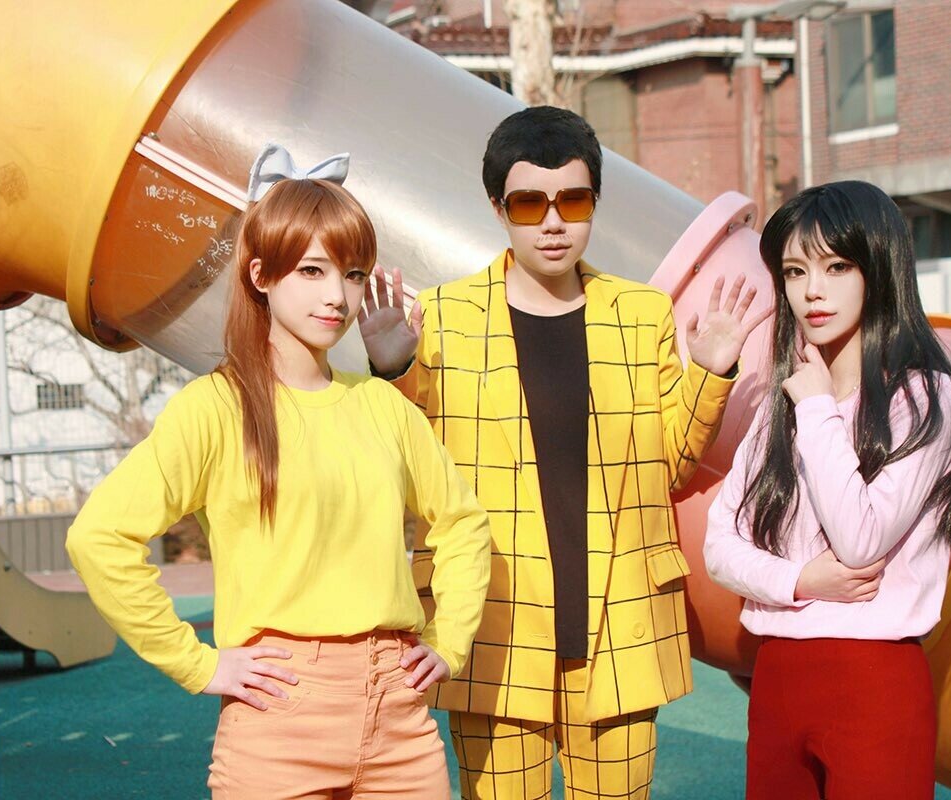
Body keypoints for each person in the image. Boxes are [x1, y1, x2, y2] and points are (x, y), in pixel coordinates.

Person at [360, 106, 766, 799]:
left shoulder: (641, 315)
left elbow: (668, 465)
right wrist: (394, 370)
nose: (553, 222)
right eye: (530, 204)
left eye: (572, 201)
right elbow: (415, 472)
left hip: (619, 626)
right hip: (494, 622)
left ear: (594, 203)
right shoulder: (444, 319)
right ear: (499, 208)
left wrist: (710, 372)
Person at [66, 147, 491, 799]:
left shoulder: (381, 405)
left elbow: (464, 525)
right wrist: (196, 664)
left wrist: (449, 641)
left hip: (400, 714)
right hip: (278, 715)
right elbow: (98, 538)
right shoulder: (215, 408)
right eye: (312, 270)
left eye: (352, 274)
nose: (336, 295)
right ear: (261, 274)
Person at [702, 180, 951, 800]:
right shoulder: (782, 407)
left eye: (836, 267)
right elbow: (719, 547)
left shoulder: (925, 397)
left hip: (875, 680)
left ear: (878, 268)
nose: (812, 290)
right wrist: (800, 581)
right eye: (795, 271)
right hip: (778, 675)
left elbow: (860, 540)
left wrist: (817, 408)